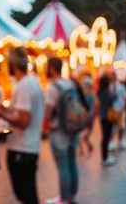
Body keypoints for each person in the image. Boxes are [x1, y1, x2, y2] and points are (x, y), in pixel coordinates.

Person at [0, 46, 45, 204]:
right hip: (28, 147)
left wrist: (1, 114)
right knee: (27, 193)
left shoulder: (24, 85)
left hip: (22, 148)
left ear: (12, 64)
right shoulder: (32, 82)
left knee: (26, 194)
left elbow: (24, 120)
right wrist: (7, 108)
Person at [43, 57, 80, 204]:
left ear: (52, 68)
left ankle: (63, 199)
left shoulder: (53, 87)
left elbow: (48, 112)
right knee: (72, 162)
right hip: (73, 128)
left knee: (63, 166)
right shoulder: (70, 83)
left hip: (59, 131)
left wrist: (44, 123)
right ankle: (73, 195)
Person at [97, 75, 117, 166]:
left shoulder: (99, 92)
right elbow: (113, 100)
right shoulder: (107, 92)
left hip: (102, 116)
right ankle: (105, 158)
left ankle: (105, 157)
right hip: (108, 116)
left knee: (104, 136)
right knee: (106, 137)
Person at [109, 72, 126, 151]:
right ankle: (112, 141)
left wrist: (124, 105)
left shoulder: (121, 86)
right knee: (112, 127)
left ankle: (120, 140)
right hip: (112, 109)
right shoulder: (108, 87)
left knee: (121, 126)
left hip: (120, 109)